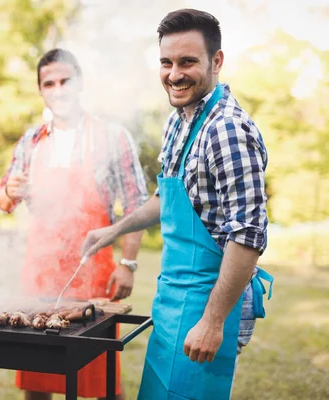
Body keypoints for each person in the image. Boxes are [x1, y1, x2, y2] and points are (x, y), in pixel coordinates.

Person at [81, 9, 274, 400]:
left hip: (210, 301)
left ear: (216, 61)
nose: (174, 74)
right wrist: (114, 230)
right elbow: (166, 198)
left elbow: (249, 235)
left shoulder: (227, 130)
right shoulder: (182, 119)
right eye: (166, 63)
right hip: (173, 298)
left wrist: (213, 321)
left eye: (187, 62)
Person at [0, 49, 148, 400]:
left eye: (65, 81)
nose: (58, 89)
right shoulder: (30, 141)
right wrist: (9, 190)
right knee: (36, 376)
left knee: (103, 378)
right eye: (49, 83)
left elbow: (136, 205)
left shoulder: (112, 137)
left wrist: (127, 264)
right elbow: (3, 202)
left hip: (91, 270)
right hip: (39, 270)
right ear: (41, 91)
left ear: (80, 84)